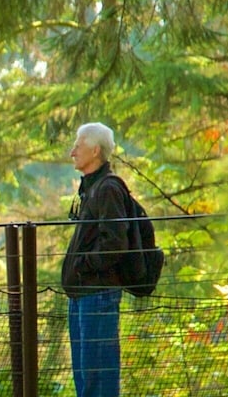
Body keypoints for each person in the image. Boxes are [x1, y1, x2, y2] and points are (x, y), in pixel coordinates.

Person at [62, 122, 132, 397]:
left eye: (78, 145)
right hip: (83, 293)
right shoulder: (91, 188)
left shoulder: (108, 189)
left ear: (94, 150)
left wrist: (84, 266)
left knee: (97, 377)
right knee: (85, 375)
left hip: (98, 293)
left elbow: (116, 242)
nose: (72, 152)